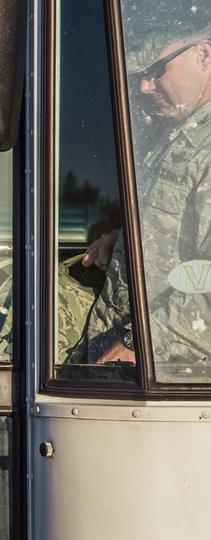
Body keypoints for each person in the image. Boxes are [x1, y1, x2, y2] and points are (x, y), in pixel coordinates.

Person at [81, 26, 211, 369]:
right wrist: (120, 241)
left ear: (204, 55)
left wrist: (138, 342)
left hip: (169, 368)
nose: (144, 86)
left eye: (155, 70)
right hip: (127, 345)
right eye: (140, 75)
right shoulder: (180, 136)